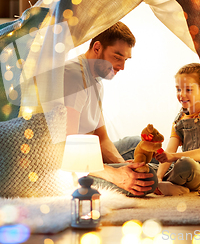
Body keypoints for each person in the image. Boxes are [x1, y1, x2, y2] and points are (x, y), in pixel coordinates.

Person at [63, 21, 157, 196]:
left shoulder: (96, 81)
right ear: (97, 48)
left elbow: (102, 137)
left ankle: (168, 172)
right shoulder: (73, 77)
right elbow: (66, 148)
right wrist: (115, 175)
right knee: (148, 179)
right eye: (117, 57)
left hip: (90, 153)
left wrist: (124, 166)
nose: (122, 67)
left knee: (140, 145)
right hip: (71, 163)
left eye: (125, 60)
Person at [154, 63, 200, 195]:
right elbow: (170, 151)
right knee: (147, 168)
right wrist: (158, 176)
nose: (181, 95)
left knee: (185, 165)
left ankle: (167, 184)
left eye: (188, 90)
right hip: (182, 166)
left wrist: (172, 157)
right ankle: (163, 184)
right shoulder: (179, 119)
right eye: (178, 89)